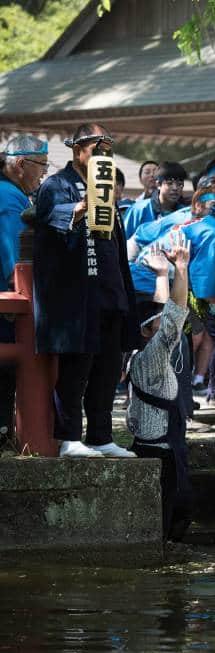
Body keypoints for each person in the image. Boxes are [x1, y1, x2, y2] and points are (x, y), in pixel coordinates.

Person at [33, 123, 138, 458]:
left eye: (108, 148)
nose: (103, 154)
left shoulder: (106, 187)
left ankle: (101, 436)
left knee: (106, 370)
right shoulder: (57, 185)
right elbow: (51, 220)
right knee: (76, 368)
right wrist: (82, 207)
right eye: (97, 148)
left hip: (110, 291)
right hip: (77, 294)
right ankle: (68, 437)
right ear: (77, 149)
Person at [127, 232, 192, 540]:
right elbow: (172, 316)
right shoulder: (152, 357)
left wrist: (162, 275)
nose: (164, 320)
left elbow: (163, 313)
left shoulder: (139, 353)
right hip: (160, 456)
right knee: (165, 530)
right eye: (157, 321)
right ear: (146, 331)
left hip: (156, 449)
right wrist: (181, 268)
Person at [0, 135, 48, 436]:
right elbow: (15, 259)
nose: (43, 173)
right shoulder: (10, 198)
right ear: (20, 163)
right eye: (41, 165)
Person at [123, 161, 189, 238]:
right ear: (158, 184)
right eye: (169, 183)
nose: (175, 188)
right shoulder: (138, 210)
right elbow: (123, 240)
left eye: (179, 184)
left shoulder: (185, 214)